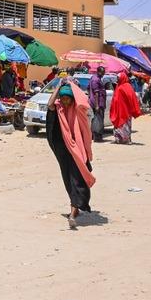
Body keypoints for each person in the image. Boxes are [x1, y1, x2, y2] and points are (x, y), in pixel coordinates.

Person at [46, 80, 96, 229]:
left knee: (77, 177)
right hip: (63, 149)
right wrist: (58, 87)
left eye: (68, 98)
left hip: (76, 149)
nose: (66, 102)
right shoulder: (59, 108)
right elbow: (50, 104)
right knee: (68, 178)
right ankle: (74, 207)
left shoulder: (78, 109)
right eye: (63, 99)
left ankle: (74, 211)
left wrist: (72, 86)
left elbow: (83, 100)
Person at [110, 72, 143, 144]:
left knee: (125, 125)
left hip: (125, 110)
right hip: (118, 109)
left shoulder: (126, 87)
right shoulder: (119, 86)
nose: (117, 80)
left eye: (118, 78)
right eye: (117, 78)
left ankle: (126, 139)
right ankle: (119, 139)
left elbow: (131, 98)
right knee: (119, 124)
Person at [87, 66, 107, 143]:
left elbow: (88, 88)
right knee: (99, 120)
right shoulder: (96, 80)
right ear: (99, 71)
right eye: (103, 72)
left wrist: (90, 96)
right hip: (98, 103)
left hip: (96, 102)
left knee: (96, 119)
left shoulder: (93, 78)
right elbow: (96, 94)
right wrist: (97, 105)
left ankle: (95, 135)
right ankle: (97, 137)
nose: (104, 73)